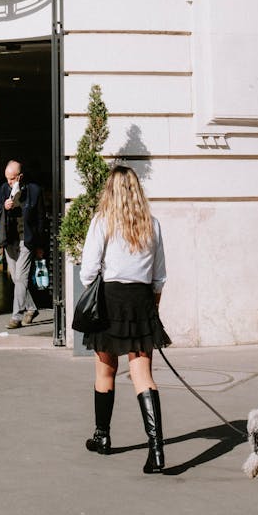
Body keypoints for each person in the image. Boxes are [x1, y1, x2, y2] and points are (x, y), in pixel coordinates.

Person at [79, 164, 170, 474]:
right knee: (142, 374)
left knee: (106, 370)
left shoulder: (102, 222)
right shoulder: (152, 225)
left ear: (111, 192)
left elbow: (88, 271)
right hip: (141, 303)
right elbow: (159, 277)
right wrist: (152, 310)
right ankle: (156, 450)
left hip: (110, 302)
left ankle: (102, 436)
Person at [0, 160, 46, 329]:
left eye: (12, 178)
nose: (9, 182)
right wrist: (4, 206)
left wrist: (39, 245)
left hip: (26, 239)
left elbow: (40, 220)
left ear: (20, 176)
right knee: (17, 278)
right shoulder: (4, 189)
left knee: (21, 277)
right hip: (10, 239)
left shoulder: (34, 191)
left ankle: (16, 316)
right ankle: (31, 308)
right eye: (7, 178)